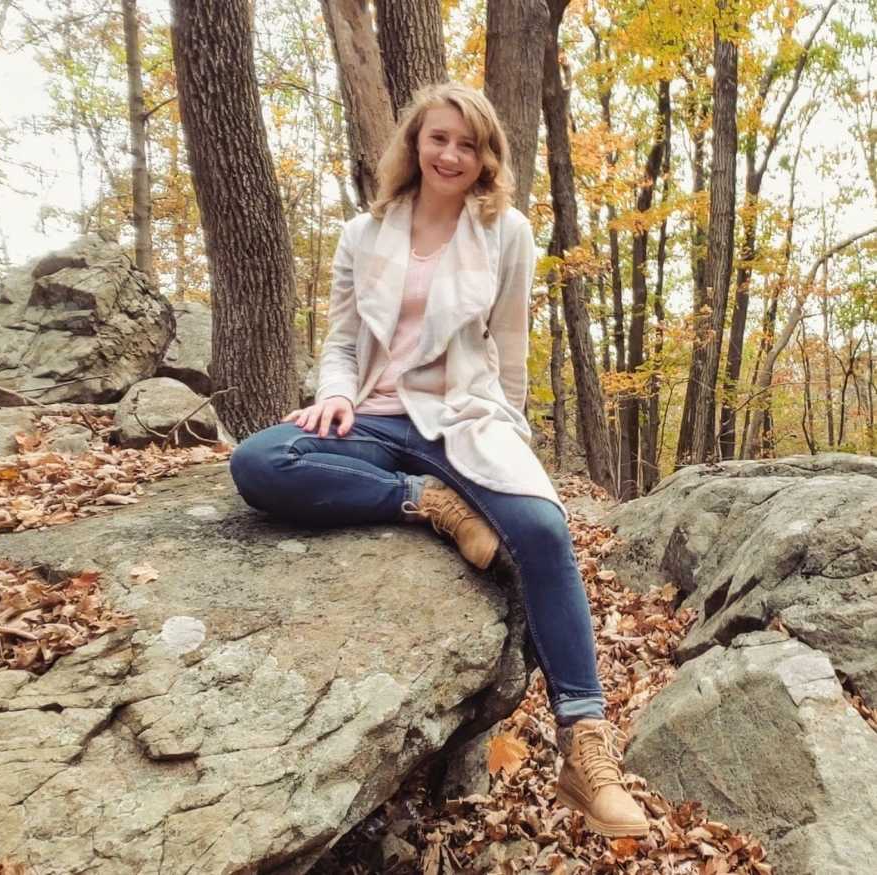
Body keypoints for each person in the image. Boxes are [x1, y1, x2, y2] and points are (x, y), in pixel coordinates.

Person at [230, 82, 649, 838]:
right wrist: (333, 395)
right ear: (414, 146)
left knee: (545, 532)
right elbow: (338, 341)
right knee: (262, 460)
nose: (452, 154)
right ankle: (425, 501)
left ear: (487, 156)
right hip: (374, 418)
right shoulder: (364, 231)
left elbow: (512, 348)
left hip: (465, 418)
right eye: (439, 138)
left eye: (469, 143)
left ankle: (586, 746)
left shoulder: (506, 231)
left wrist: (511, 435)